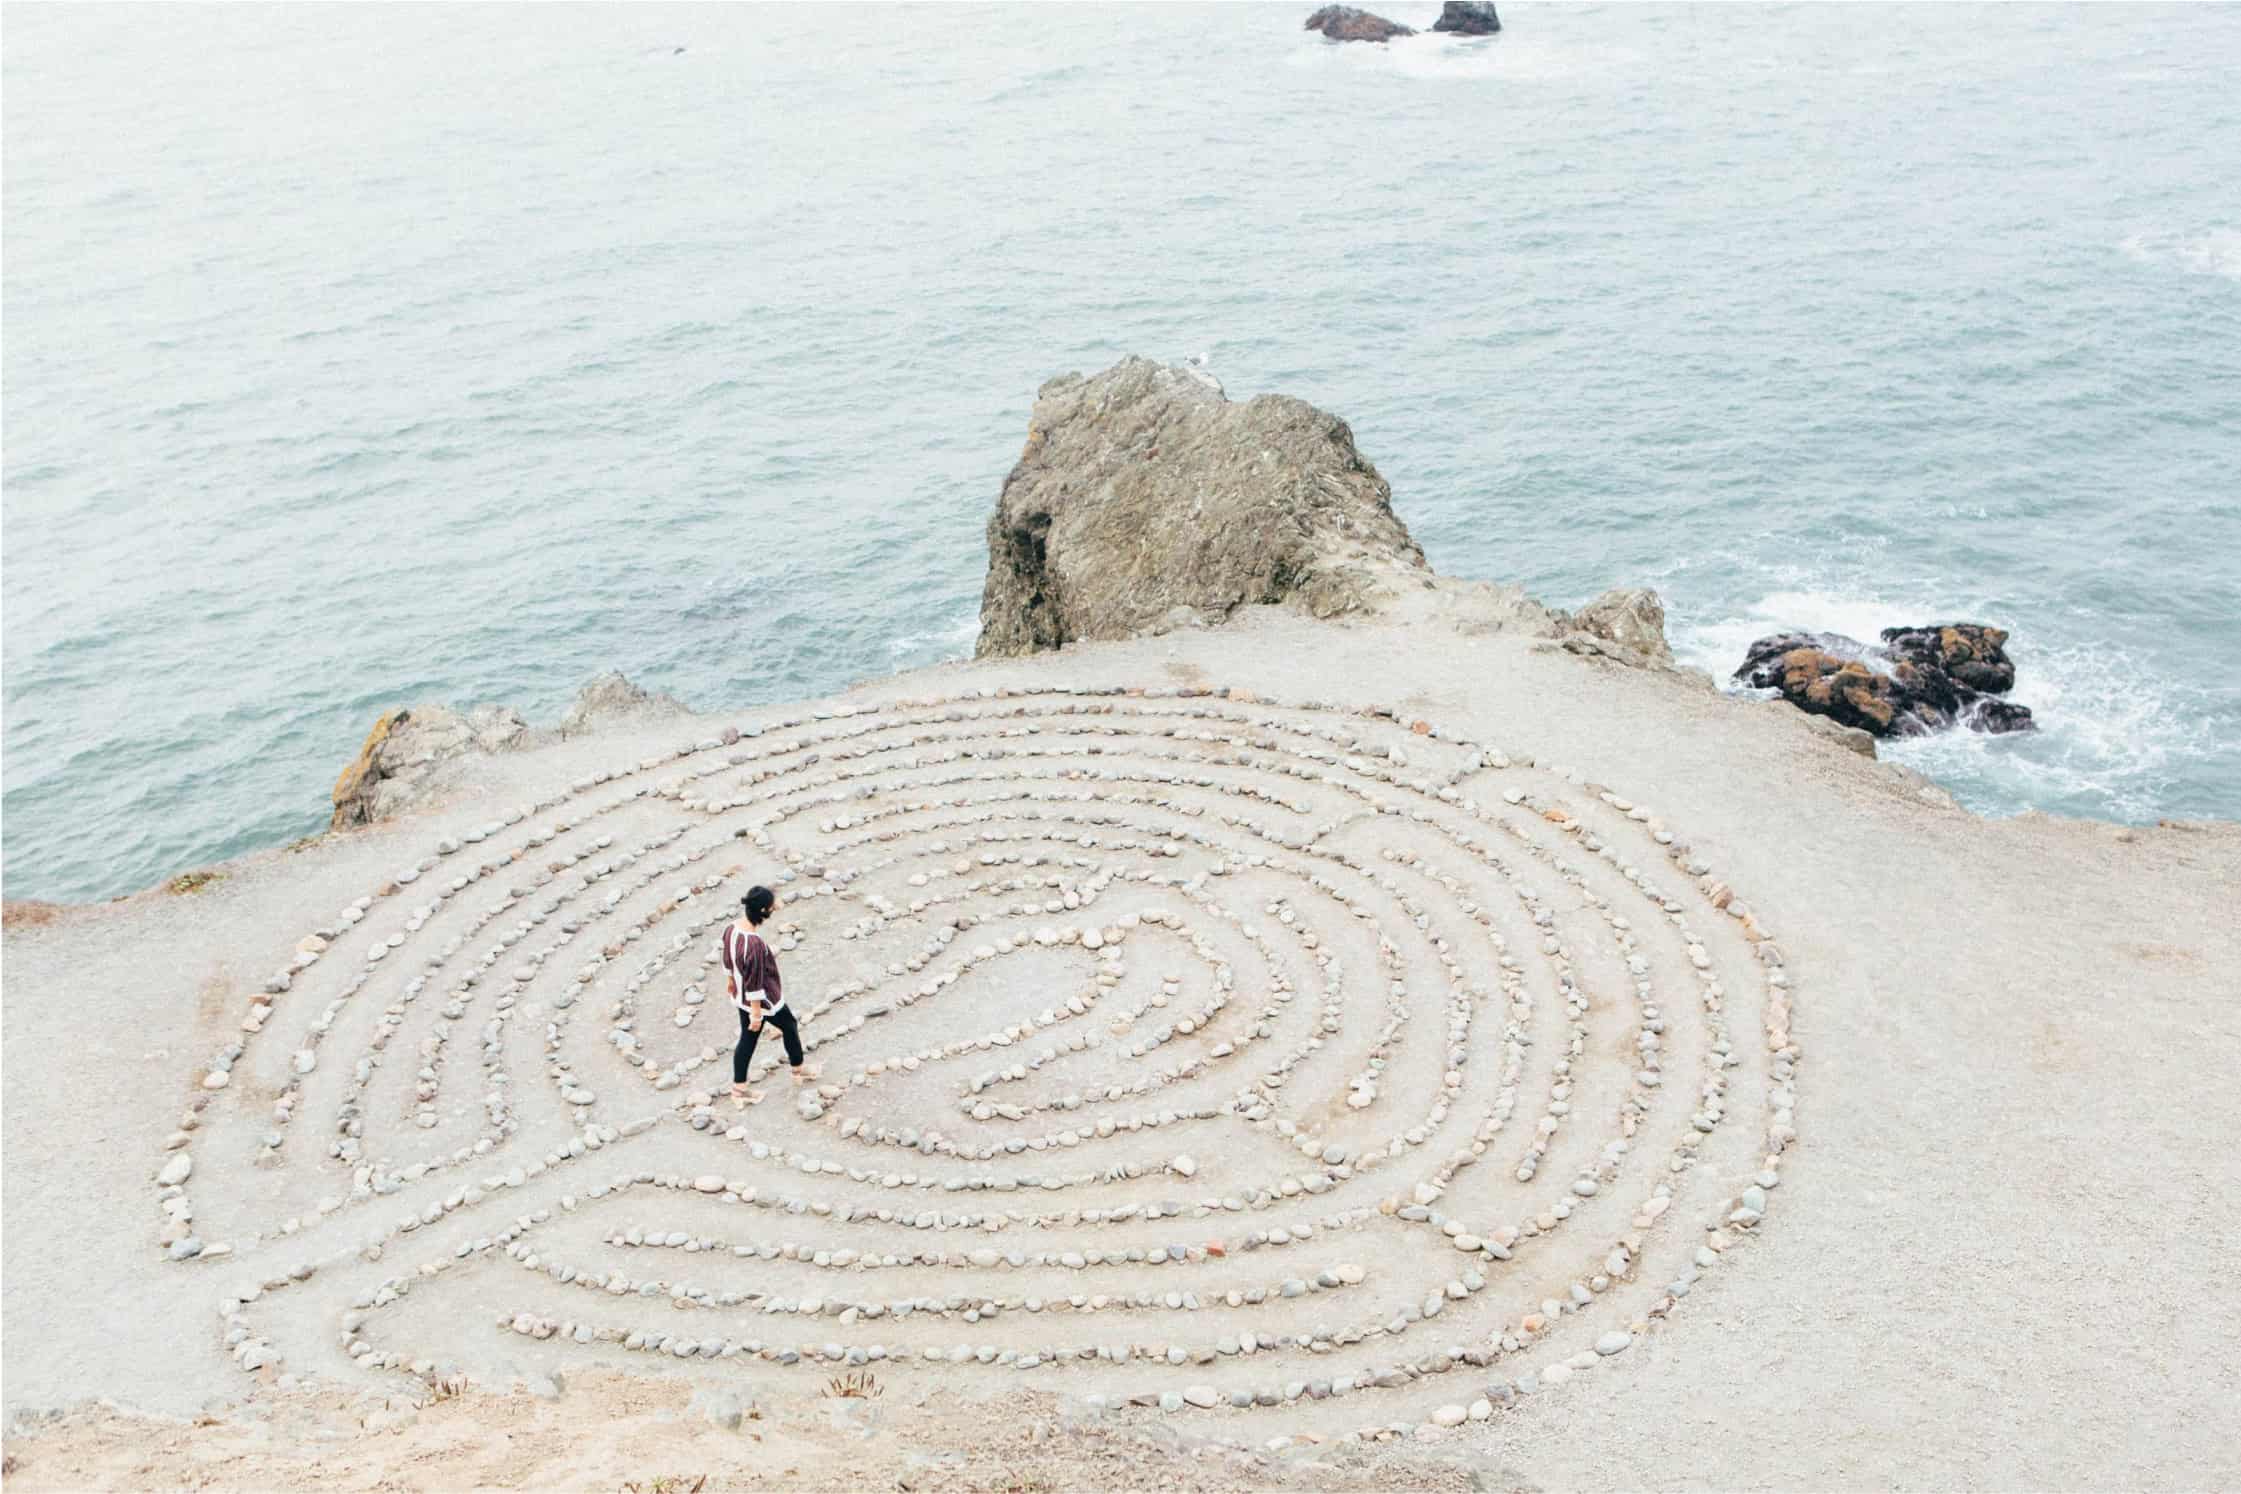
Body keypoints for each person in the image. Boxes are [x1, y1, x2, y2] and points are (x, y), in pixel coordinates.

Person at [719, 884, 815, 1108]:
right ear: (763, 911)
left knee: (748, 1039)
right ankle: (798, 1070)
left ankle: (739, 1089)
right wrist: (755, 1012)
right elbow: (755, 979)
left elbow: (726, 957)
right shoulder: (754, 944)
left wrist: (730, 980)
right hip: (763, 1000)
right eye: (771, 907)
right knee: (789, 1025)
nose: (774, 909)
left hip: (741, 996)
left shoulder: (731, 928)